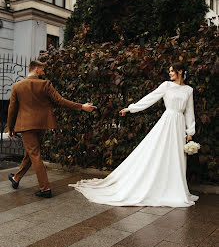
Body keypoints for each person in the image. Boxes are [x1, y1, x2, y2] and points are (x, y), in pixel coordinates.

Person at [69, 62, 199, 207]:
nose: (170, 73)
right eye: (169, 71)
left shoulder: (188, 90)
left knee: (176, 156)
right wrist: (131, 108)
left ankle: (175, 188)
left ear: (180, 71)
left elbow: (189, 111)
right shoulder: (166, 86)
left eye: (172, 71)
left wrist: (190, 132)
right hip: (167, 122)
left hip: (179, 124)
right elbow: (150, 98)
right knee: (159, 152)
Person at [7, 60, 96, 198]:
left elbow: (12, 110)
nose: (43, 72)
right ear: (36, 69)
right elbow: (60, 100)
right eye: (42, 70)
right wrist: (81, 106)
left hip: (26, 125)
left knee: (34, 154)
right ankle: (16, 178)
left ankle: (45, 189)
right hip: (42, 124)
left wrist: (10, 128)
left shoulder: (17, 86)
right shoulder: (45, 84)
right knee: (31, 153)